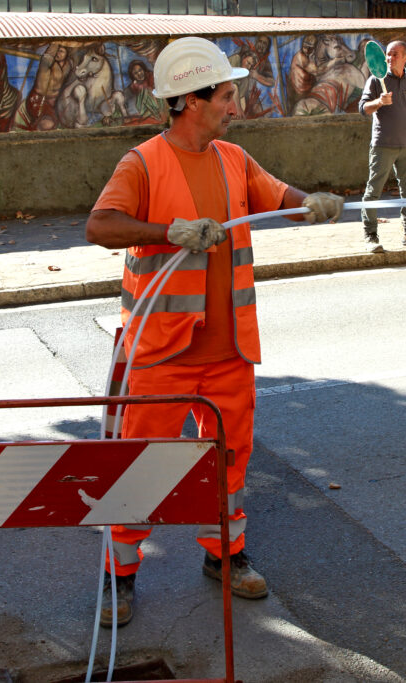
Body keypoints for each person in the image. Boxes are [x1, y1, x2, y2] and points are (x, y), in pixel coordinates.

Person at [84, 36, 343, 628]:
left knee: (228, 461)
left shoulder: (233, 159)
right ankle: (119, 576)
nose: (236, 106)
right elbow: (100, 225)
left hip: (228, 353)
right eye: (227, 96)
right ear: (192, 100)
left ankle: (224, 556)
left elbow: (278, 197)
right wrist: (168, 231)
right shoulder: (142, 162)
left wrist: (314, 204)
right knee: (140, 465)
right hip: (161, 354)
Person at [358, 40, 406, 252]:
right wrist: (379, 102)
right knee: (373, 192)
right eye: (388, 54)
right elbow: (363, 109)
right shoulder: (375, 80)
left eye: (395, 54)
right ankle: (370, 236)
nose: (390, 58)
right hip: (383, 145)